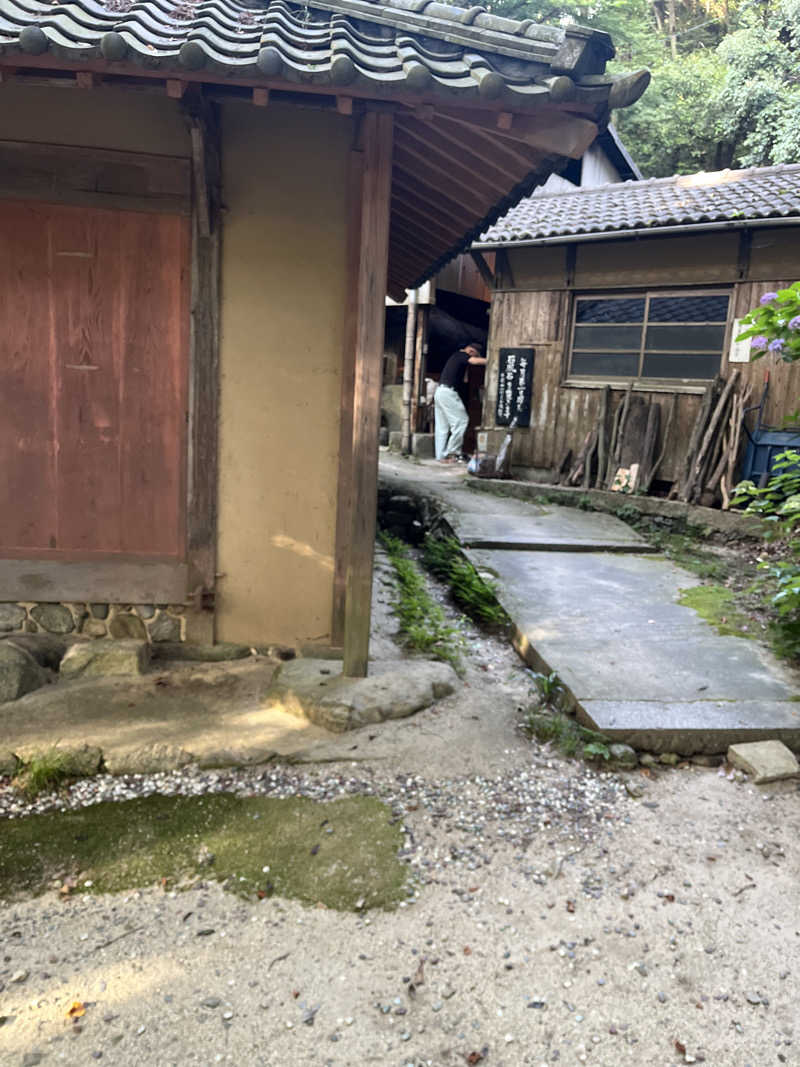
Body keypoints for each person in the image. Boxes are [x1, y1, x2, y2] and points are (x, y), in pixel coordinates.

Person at [434, 341, 487, 461]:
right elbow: (473, 361)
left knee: (442, 427)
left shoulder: (456, 358)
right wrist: (493, 359)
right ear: (471, 351)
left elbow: (465, 380)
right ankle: (452, 453)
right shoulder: (462, 355)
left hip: (440, 392)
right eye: (475, 355)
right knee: (461, 421)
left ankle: (440, 456)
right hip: (448, 393)